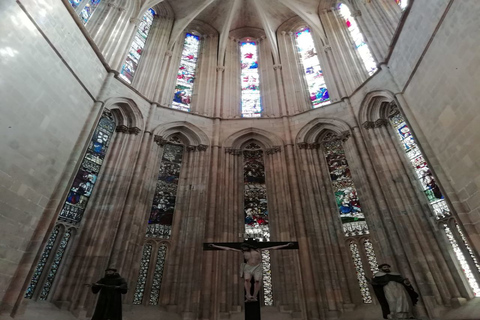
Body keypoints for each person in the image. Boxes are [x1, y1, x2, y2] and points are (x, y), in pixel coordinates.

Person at [209, 242, 293, 302]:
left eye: (244, 247)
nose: (243, 249)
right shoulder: (243, 251)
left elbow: (273, 247)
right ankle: (248, 295)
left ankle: (255, 296)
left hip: (257, 267)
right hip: (248, 266)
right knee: (246, 280)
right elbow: (229, 249)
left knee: (257, 281)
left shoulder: (258, 250)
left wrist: (286, 245)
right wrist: (215, 246)